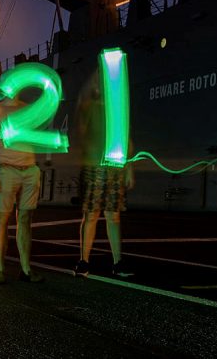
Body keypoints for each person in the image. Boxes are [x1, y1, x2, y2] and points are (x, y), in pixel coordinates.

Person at [73, 70, 134, 278]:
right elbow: (81, 131)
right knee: (91, 215)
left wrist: (129, 167)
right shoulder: (89, 105)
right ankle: (83, 261)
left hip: (114, 166)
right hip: (94, 166)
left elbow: (126, 136)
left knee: (113, 216)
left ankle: (118, 262)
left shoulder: (116, 109)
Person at [0, 89, 43, 284]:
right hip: (6, 169)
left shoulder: (27, 109)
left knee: (25, 218)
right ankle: (0, 269)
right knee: (3, 218)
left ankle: (25, 269)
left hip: (30, 168)